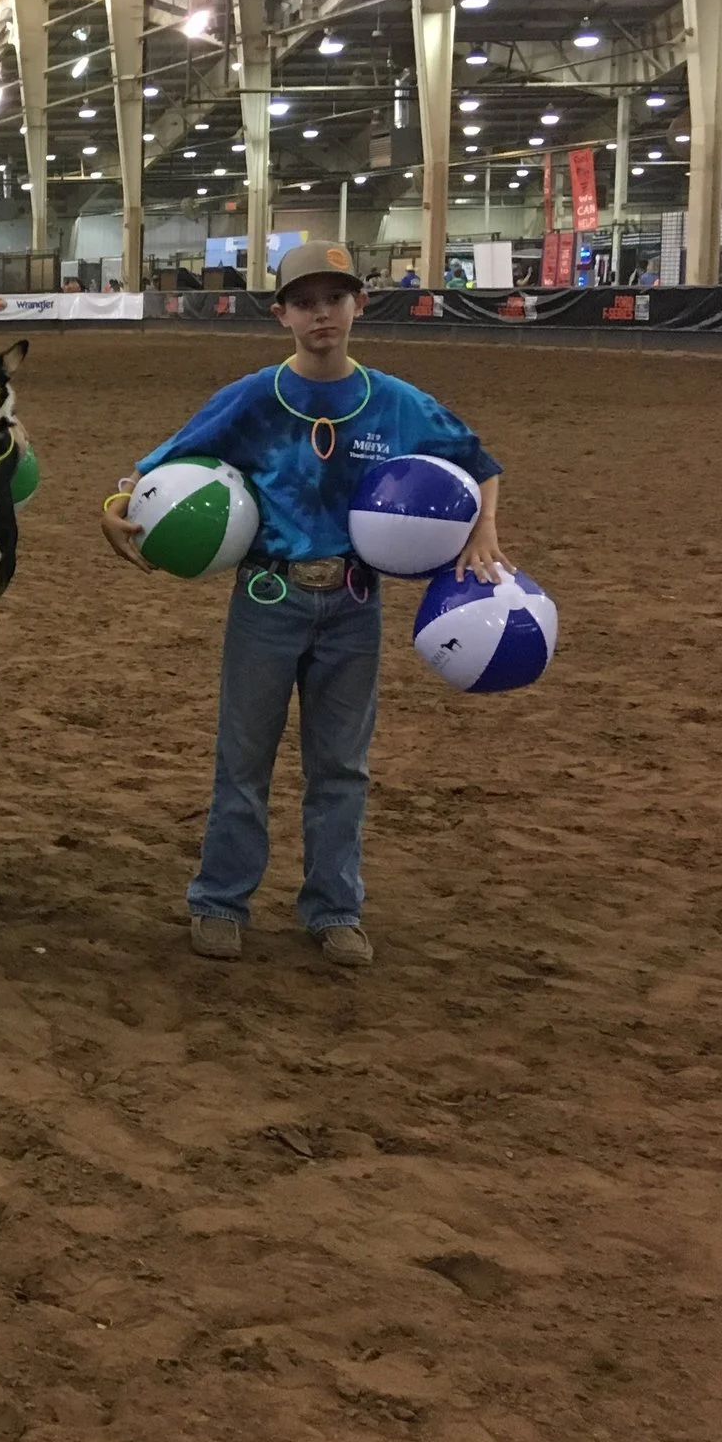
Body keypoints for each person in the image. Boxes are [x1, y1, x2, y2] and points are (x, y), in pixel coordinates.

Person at [101, 240, 506, 969]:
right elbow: (158, 463)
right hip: (269, 597)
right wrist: (115, 502)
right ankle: (221, 900)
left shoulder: (397, 402)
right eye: (306, 301)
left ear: (359, 303)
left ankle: (334, 906)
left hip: (355, 604)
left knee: (342, 765)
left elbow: (480, 463)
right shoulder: (256, 397)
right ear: (281, 312)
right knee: (243, 757)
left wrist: (486, 531)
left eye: (336, 298)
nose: (323, 313)